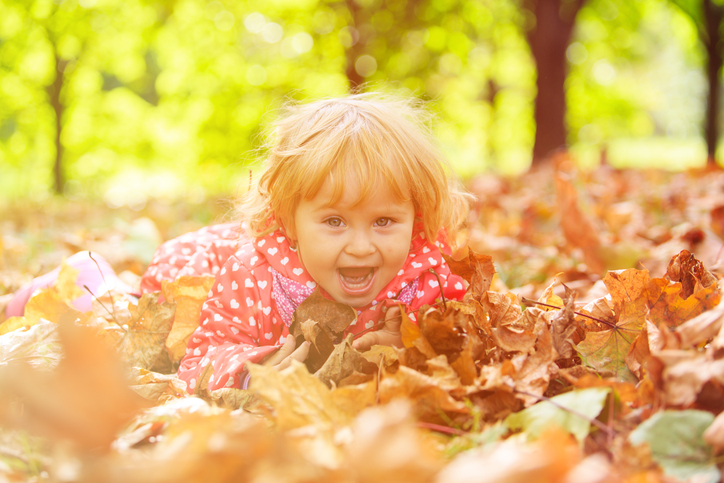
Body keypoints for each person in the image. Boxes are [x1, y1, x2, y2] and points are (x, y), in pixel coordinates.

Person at [5, 93, 473, 395]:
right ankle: (76, 281)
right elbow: (201, 355)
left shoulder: (425, 277)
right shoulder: (256, 274)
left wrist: (415, 344)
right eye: (334, 221)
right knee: (118, 324)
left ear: (417, 215)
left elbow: (467, 339)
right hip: (200, 282)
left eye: (384, 221)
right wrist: (253, 369)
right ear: (289, 220)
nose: (361, 246)